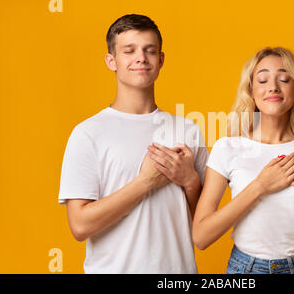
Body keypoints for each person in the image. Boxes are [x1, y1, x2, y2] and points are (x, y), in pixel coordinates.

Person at [58, 14, 208, 273]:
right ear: (111, 61)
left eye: (150, 51)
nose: (141, 57)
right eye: (129, 51)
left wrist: (191, 182)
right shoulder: (87, 134)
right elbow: (80, 226)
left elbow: (205, 229)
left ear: (160, 60)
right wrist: (145, 182)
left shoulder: (188, 130)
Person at [192, 47, 294, 274]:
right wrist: (260, 186)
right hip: (246, 269)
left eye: (284, 79)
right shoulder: (228, 148)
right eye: (262, 80)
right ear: (251, 91)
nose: (273, 86)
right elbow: (201, 237)